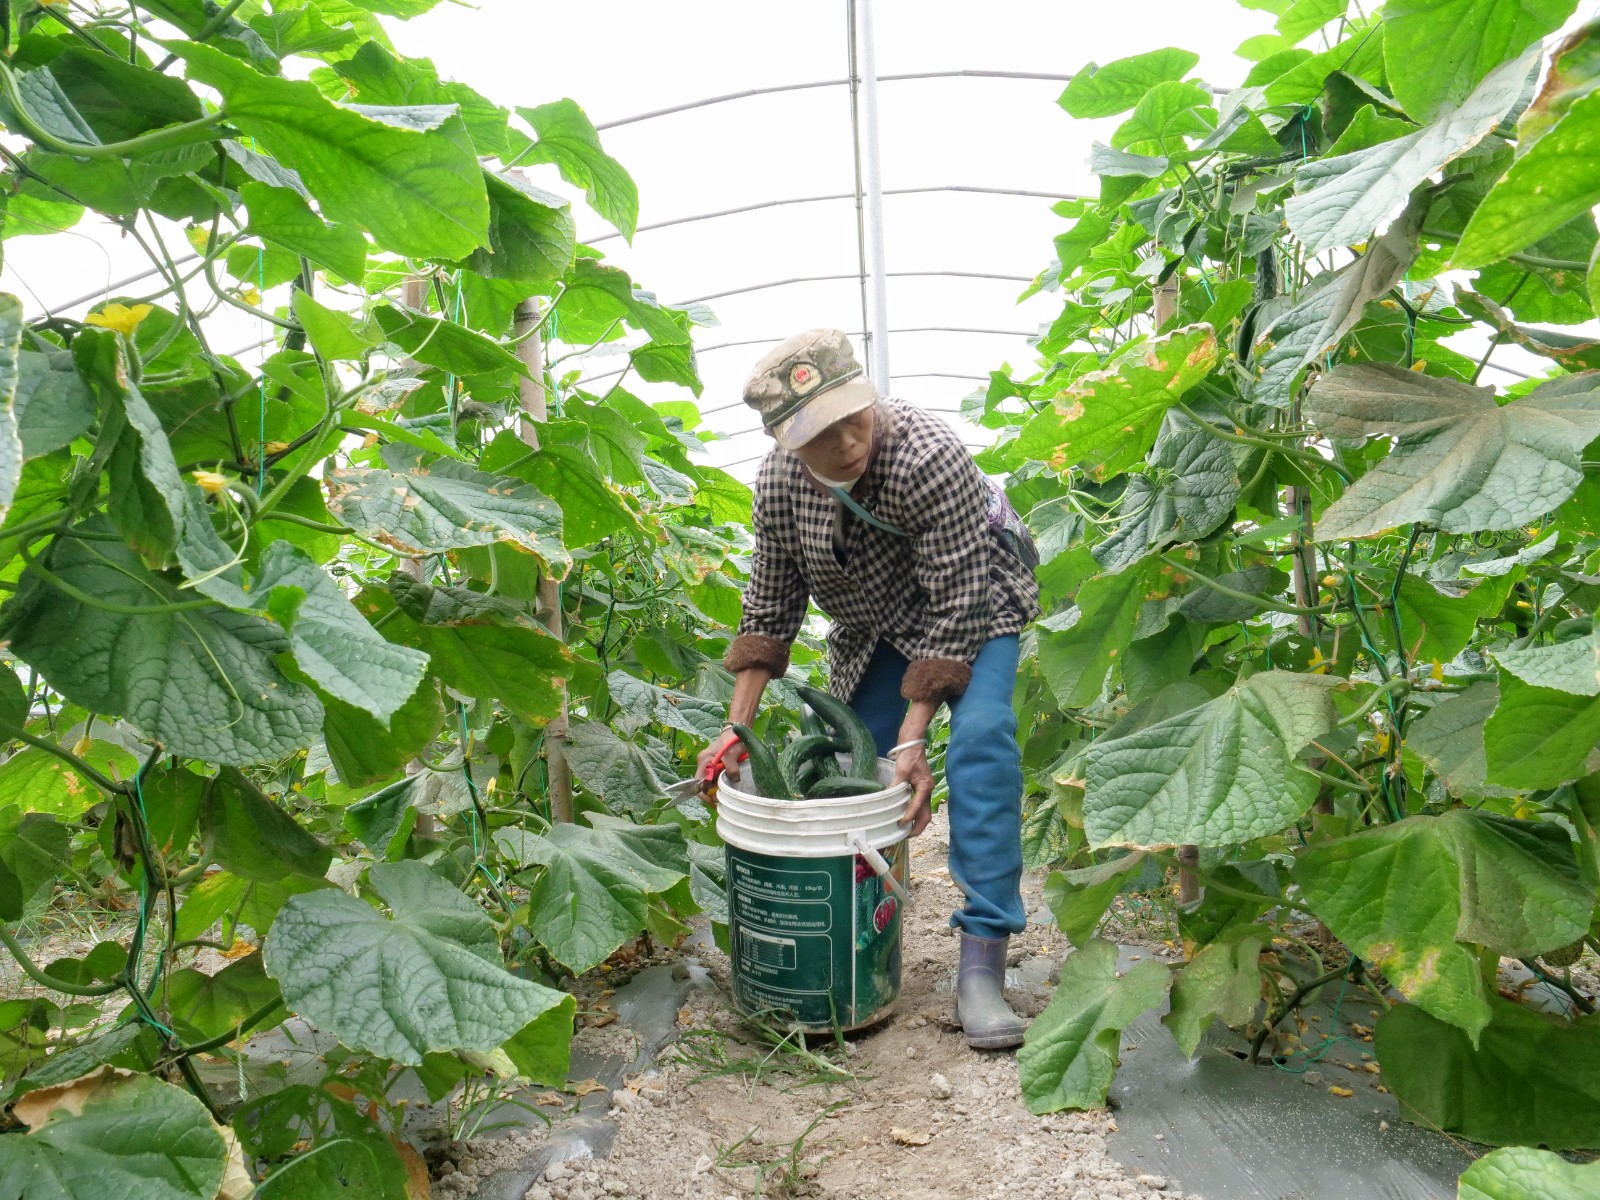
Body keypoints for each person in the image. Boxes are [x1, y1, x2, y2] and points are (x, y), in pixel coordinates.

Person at [698, 328, 1042, 1049]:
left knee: (980, 743)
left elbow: (955, 608)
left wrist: (917, 737)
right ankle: (862, 942)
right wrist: (737, 729)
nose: (849, 439)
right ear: (786, 440)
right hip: (876, 624)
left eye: (854, 415)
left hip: (976, 606)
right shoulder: (780, 486)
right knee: (854, 776)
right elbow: (769, 609)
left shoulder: (925, 453)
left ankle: (982, 962)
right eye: (821, 432)